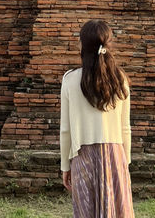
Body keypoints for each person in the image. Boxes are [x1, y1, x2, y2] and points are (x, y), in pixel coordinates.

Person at [60, 19, 134, 218]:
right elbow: (125, 128)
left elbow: (65, 129)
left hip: (82, 156)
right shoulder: (120, 80)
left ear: (83, 45)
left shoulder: (70, 79)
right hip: (115, 155)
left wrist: (65, 166)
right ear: (108, 44)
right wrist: (124, 164)